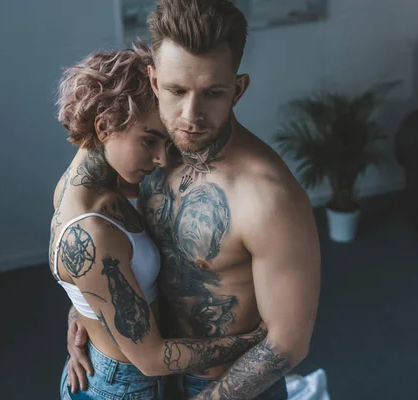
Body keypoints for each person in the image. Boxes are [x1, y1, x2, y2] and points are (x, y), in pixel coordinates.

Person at [68, 0, 322, 398]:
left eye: (212, 93)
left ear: (238, 89)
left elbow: (287, 344)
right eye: (176, 90)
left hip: (226, 385)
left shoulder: (269, 198)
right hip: (152, 371)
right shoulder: (151, 153)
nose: (191, 115)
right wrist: (88, 308)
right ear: (153, 82)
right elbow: (104, 230)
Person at [51, 42, 268, 400]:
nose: (161, 159)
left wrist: (82, 309)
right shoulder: (91, 231)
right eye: (149, 141)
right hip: (125, 387)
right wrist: (253, 341)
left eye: (165, 144)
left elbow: (84, 277)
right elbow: (152, 359)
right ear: (105, 126)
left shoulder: (91, 186)